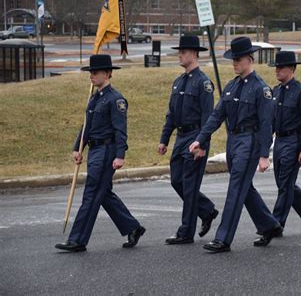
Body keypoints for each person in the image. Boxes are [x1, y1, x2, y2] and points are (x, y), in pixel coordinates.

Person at [189, 37, 283, 253]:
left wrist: (264, 154)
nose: (234, 63)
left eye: (238, 59)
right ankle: (269, 225)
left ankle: (223, 238)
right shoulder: (231, 86)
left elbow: (267, 124)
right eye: (233, 59)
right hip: (233, 141)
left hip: (249, 142)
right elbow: (216, 116)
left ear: (250, 59)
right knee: (244, 188)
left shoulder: (262, 89)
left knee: (235, 189)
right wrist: (200, 139)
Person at [55, 54, 145, 252]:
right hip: (94, 150)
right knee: (102, 193)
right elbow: (86, 125)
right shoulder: (94, 98)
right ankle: (133, 227)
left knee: (92, 193)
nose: (91, 76)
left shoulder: (116, 99)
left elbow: (121, 129)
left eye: (95, 73)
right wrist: (78, 147)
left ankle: (77, 239)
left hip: (106, 150)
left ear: (108, 73)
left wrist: (120, 155)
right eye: (90, 72)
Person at [158, 36, 218, 244]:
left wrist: (202, 145)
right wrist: (164, 139)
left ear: (194, 54)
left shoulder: (203, 83)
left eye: (183, 52)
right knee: (177, 181)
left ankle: (186, 232)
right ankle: (207, 210)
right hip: (181, 137)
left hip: (195, 137)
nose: (180, 55)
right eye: (179, 52)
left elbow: (208, 118)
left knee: (190, 185)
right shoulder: (179, 82)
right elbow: (171, 114)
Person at [269, 51, 301, 234]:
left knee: (285, 184)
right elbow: (272, 121)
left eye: (280, 67)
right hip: (280, 141)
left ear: (291, 68)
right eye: (276, 67)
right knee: (283, 183)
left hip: (294, 140)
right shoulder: (276, 91)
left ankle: (275, 224)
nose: (277, 70)